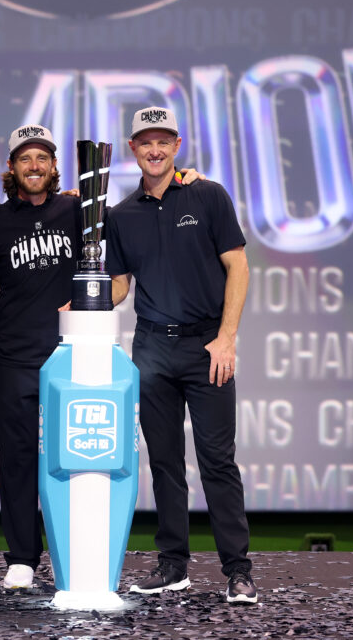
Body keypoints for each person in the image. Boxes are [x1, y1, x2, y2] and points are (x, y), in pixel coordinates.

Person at [0, 125, 205, 590]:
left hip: (72, 357)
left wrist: (184, 180)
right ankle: (21, 557)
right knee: (17, 459)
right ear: (12, 169)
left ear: (55, 167)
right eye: (25, 159)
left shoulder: (78, 211)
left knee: (79, 457)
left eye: (43, 158)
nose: (34, 166)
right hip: (15, 357)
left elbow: (131, 219)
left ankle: (77, 557)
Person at [104, 106, 257, 604]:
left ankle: (238, 571)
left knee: (217, 461)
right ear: (133, 149)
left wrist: (227, 337)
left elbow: (238, 267)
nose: (154, 150)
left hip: (206, 346)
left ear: (177, 145)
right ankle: (173, 566)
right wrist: (77, 301)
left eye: (163, 141)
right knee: (165, 462)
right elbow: (120, 287)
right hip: (151, 347)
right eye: (145, 142)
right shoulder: (122, 215)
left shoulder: (208, 195)